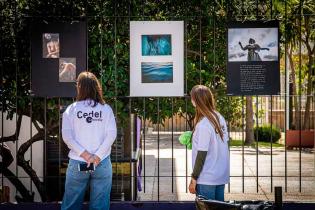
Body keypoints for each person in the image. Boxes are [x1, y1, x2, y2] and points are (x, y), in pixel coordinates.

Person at [61, 71, 117, 210]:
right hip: (102, 162)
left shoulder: (71, 110)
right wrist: (96, 157)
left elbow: (67, 137)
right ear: (96, 87)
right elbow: (111, 135)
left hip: (78, 161)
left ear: (79, 87)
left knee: (71, 205)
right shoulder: (106, 109)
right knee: (100, 205)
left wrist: (85, 155)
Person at [188, 85, 230, 201]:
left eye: (192, 98)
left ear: (196, 100)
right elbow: (223, 144)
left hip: (206, 177)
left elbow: (201, 154)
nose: (191, 100)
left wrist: (194, 178)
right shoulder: (219, 117)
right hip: (220, 175)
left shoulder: (203, 125)